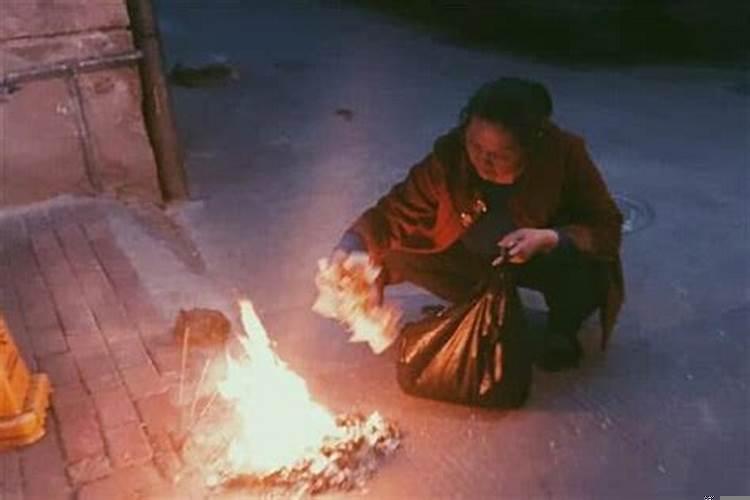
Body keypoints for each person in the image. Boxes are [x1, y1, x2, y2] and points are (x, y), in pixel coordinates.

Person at [333, 77, 624, 371]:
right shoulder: (451, 157)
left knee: (587, 263)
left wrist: (549, 238)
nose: (483, 161)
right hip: (475, 261)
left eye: (501, 155)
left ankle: (563, 329)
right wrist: (350, 247)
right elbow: (391, 214)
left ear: (529, 148)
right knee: (388, 250)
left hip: (542, 260)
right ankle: (480, 308)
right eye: (475, 145)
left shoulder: (563, 154)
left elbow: (607, 228)